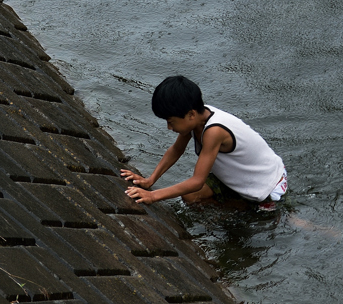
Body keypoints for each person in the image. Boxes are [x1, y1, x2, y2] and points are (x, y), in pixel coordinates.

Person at [122, 76, 288, 206]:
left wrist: (153, 195)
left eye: (171, 122)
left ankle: (244, 208)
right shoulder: (196, 118)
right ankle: (235, 205)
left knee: (241, 222)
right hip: (239, 178)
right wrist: (150, 180)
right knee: (191, 197)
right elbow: (176, 150)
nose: (169, 127)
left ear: (191, 114)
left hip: (267, 185)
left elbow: (197, 181)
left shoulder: (214, 131)